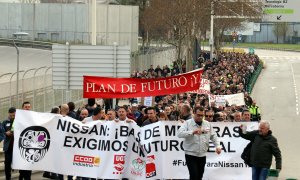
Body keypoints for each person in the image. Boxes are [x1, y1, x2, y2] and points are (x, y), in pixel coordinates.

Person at [177, 107, 222, 180]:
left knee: (199, 176)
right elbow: (179, 134)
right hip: (191, 154)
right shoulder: (187, 123)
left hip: (202, 154)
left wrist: (218, 146)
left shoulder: (207, 124)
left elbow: (214, 136)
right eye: (198, 115)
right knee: (194, 176)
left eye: (202, 115)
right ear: (193, 113)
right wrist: (192, 132)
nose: (200, 117)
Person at [19, 101, 32, 180]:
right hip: (21, 146)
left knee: (28, 167)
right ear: (22, 108)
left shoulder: (33, 117)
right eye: (26, 107)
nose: (27, 108)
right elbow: (14, 129)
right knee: (22, 168)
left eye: (28, 107)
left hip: (30, 147)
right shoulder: (18, 117)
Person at [2, 107, 16, 180]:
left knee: (20, 164)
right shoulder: (4, 122)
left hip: (17, 148)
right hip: (8, 148)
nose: (12, 117)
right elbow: (1, 132)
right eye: (11, 115)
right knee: (7, 164)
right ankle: (8, 178)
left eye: (14, 115)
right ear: (8, 114)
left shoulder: (19, 121)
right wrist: (5, 133)